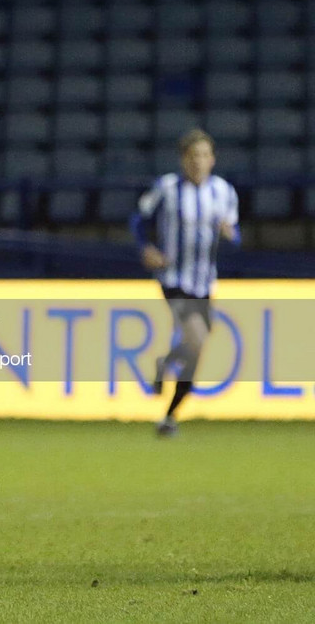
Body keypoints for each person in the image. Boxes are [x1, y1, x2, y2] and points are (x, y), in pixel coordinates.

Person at [132, 128, 239, 437]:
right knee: (198, 337)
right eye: (194, 156)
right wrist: (146, 248)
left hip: (205, 282)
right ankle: (165, 369)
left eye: (205, 155)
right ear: (183, 160)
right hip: (174, 278)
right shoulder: (166, 188)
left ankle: (169, 415)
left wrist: (231, 235)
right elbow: (139, 220)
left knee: (197, 350)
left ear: (213, 159)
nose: (199, 162)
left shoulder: (224, 192)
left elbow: (236, 234)